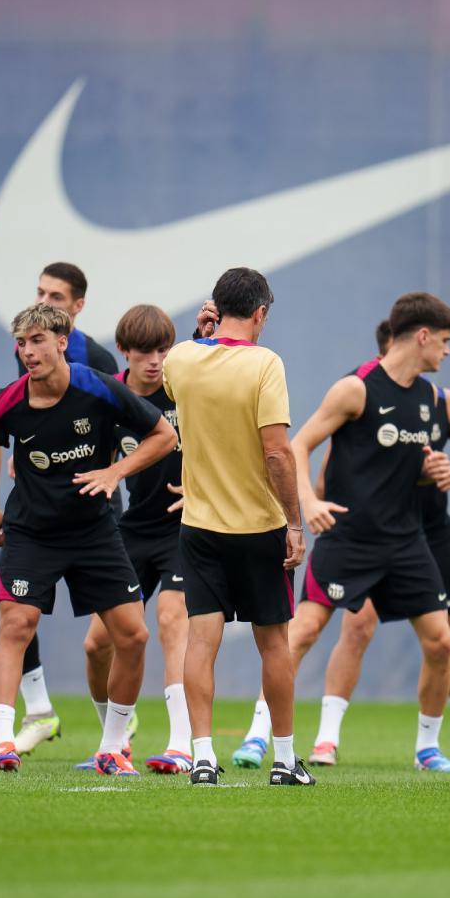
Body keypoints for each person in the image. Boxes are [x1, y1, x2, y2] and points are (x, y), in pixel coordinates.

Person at [246, 320, 450, 770]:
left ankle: (429, 750)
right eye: (445, 340)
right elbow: (300, 445)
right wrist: (309, 503)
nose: (448, 351)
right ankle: (257, 737)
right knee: (302, 632)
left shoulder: (437, 399)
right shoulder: (355, 389)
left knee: (445, 642)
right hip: (350, 537)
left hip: (410, 539)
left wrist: (449, 473)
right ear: (422, 335)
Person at [0, 304, 175, 775]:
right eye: (22, 344)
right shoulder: (8, 400)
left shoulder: (98, 386)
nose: (29, 352)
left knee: (133, 635)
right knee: (15, 625)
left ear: (63, 341)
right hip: (32, 532)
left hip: (94, 532)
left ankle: (112, 747)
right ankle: (3, 741)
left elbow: (162, 436)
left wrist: (115, 470)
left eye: (38, 341)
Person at [163, 267, 311, 787]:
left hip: (199, 526)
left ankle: (201, 756)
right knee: (274, 645)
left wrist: (199, 334)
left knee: (200, 643)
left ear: (214, 307)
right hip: (258, 527)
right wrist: (294, 522)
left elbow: (186, 371)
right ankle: (285, 761)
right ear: (260, 313)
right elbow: (277, 452)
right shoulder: (266, 363)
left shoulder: (181, 358)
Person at [74, 305, 198, 775]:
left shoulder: (184, 389)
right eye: (144, 351)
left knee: (171, 620)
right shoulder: (110, 398)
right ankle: (115, 741)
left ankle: (181, 744)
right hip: (130, 531)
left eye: (163, 350)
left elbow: (234, 437)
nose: (155, 360)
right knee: (96, 646)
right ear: (123, 352)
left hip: (186, 528)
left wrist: (204, 486)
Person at [9, 262, 121, 755]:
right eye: (40, 292)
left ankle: (118, 724)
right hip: (38, 511)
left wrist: (110, 472)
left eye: (56, 296)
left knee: (112, 631)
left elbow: (122, 422)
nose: (46, 301)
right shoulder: (29, 347)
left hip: (90, 508)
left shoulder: (94, 358)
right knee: (12, 607)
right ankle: (38, 710)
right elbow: (20, 417)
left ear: (77, 308)